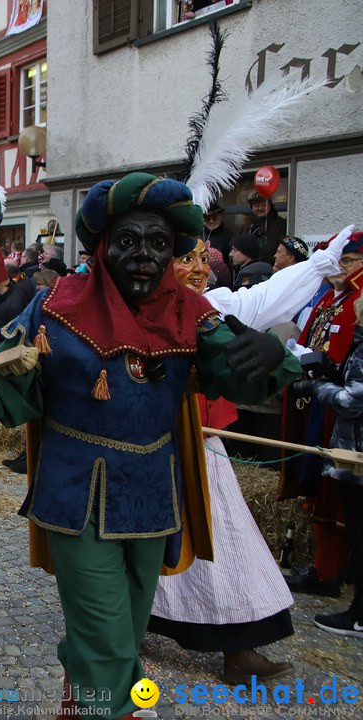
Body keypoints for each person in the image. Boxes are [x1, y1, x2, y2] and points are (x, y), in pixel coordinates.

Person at [0, 172, 298, 719]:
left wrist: (275, 355)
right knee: (107, 640)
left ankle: (80, 703)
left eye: (158, 243)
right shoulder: (57, 305)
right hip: (75, 495)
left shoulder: (191, 313)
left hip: (153, 499)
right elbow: (12, 383)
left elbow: (242, 372)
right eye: (128, 241)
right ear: (104, 245)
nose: (144, 256)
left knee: (123, 635)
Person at [149, 226, 353, 682]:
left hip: (197, 446)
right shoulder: (133, 312)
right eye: (187, 259)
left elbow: (262, 299)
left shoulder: (210, 309)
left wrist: (318, 265)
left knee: (222, 535)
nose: (200, 269)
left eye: (205, 258)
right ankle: (139, 619)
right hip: (144, 450)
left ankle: (240, 644)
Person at [281, 230, 363, 599]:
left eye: (346, 262)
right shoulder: (332, 297)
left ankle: (332, 573)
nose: (337, 269)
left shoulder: (355, 303)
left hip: (341, 411)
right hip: (319, 403)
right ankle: (325, 567)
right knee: (317, 483)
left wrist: (326, 375)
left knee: (336, 490)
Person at [302, 297, 363, 639]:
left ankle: (360, 615)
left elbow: (352, 401)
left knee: (360, 532)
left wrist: (318, 387)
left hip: (357, 454)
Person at [246, 191, 288, 262]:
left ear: (270, 205)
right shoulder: (248, 226)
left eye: (264, 205)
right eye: (256, 206)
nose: (260, 208)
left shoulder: (281, 224)